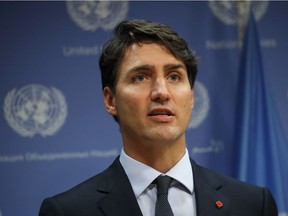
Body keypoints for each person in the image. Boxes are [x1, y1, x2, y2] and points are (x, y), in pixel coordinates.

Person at [39, 19, 278, 216]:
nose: (162, 92)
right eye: (141, 77)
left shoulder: (254, 204)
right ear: (111, 101)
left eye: (174, 77)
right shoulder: (66, 211)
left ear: (192, 97)